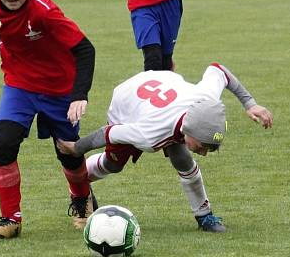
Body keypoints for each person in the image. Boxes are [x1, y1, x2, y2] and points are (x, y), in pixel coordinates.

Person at [56, 63, 273, 233]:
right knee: (112, 164)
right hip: (127, 102)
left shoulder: (206, 100)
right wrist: (77, 148)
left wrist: (250, 103)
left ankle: (204, 215)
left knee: (182, 158)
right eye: (203, 145)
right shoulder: (149, 134)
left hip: (165, 90)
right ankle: (78, 182)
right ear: (190, 130)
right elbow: (108, 132)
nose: (205, 152)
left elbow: (218, 70)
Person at [0, 0, 97, 240]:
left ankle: (82, 200)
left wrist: (79, 95)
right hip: (19, 86)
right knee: (4, 143)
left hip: (58, 89)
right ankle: (10, 218)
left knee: (68, 153)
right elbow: (6, 29)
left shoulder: (45, 12)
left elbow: (85, 49)